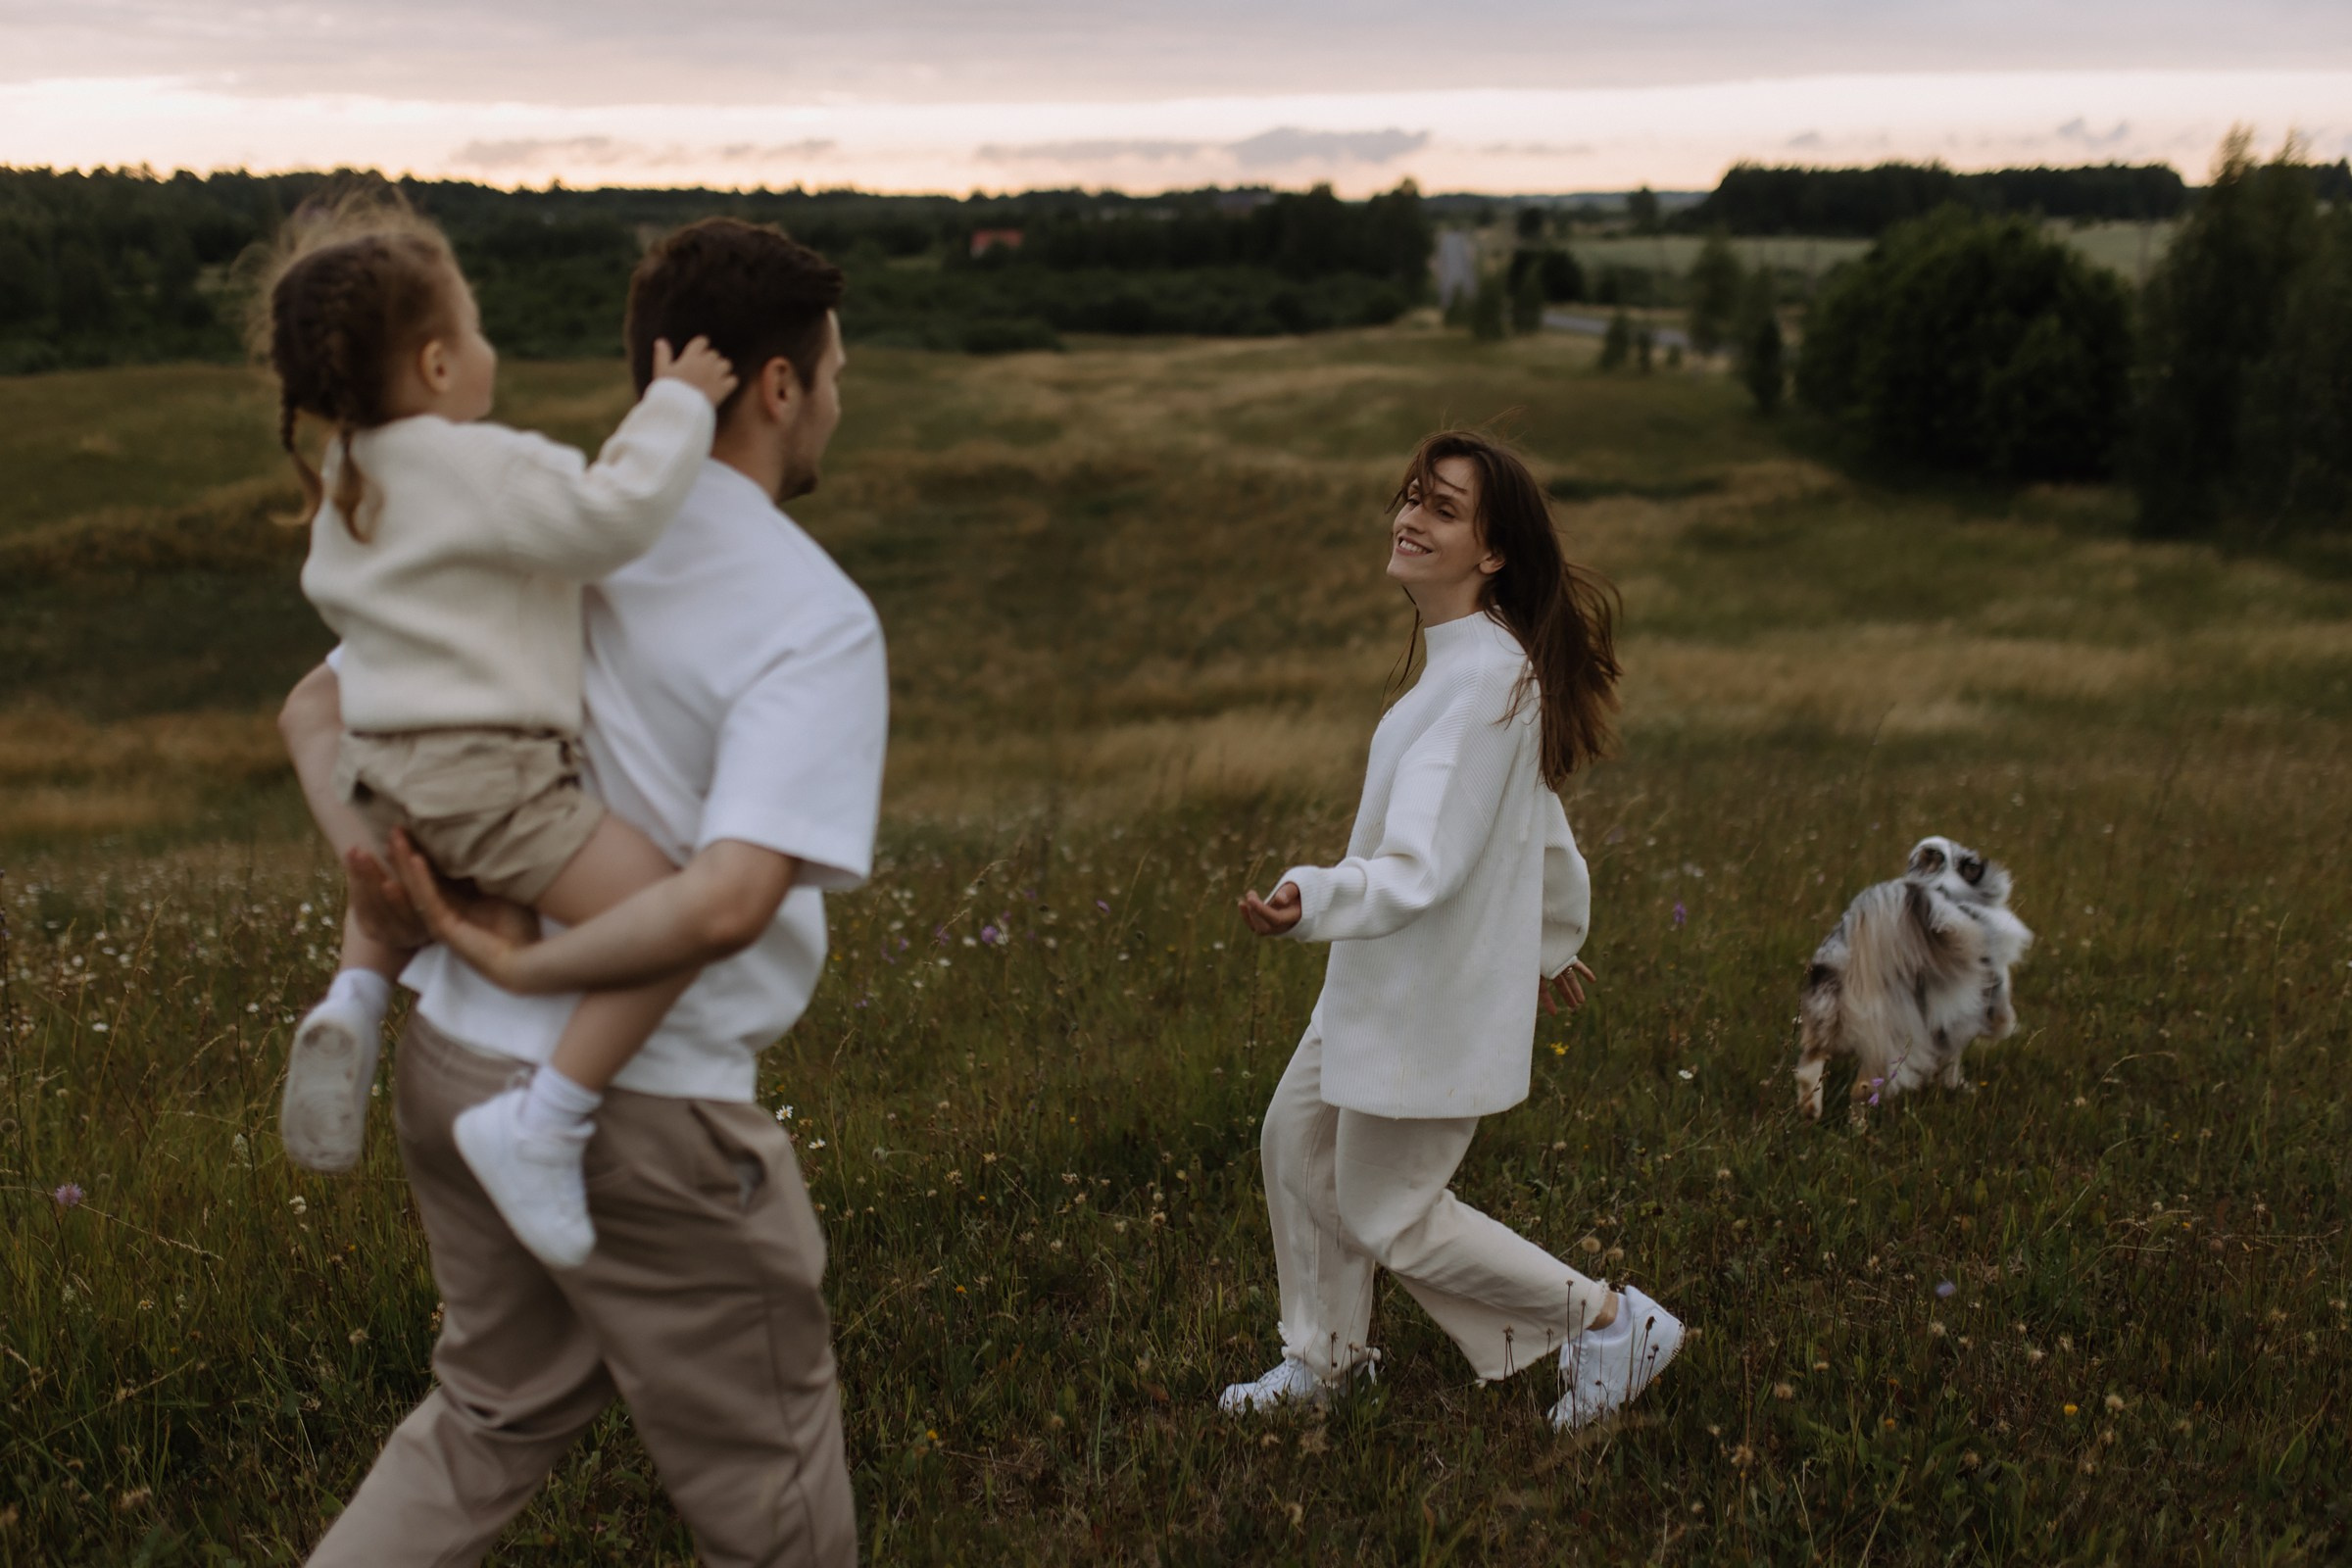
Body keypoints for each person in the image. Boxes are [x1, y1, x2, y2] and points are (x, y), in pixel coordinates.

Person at [277, 217, 880, 1567]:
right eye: (836, 376)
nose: (838, 403)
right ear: (780, 384)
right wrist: (526, 962)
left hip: (446, 1062)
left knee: (486, 1416)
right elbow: (722, 906)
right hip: (644, 1113)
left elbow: (321, 705)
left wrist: (386, 884)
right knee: (774, 1499)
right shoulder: (810, 614)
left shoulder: (516, 529)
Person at [263, 191, 743, 1272]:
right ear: (437, 365)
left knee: (407, 884)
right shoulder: (482, 467)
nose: (490, 348)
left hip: (381, 768)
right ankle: (545, 1121)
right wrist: (676, 404)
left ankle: (353, 1001)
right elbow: (611, 516)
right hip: (489, 777)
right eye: (475, 329)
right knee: (673, 915)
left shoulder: (347, 472)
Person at [1223, 429, 1684, 1431]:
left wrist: (1312, 897)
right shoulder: (1479, 668)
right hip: (1387, 982)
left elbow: (1421, 865)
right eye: (1409, 497)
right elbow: (1538, 827)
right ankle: (1326, 1361)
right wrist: (1550, 940)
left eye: (1442, 508)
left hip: (1421, 997)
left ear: (1493, 550)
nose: (1410, 518)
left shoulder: (1480, 685)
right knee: (1297, 1144)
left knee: (1390, 1210)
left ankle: (1613, 1323)